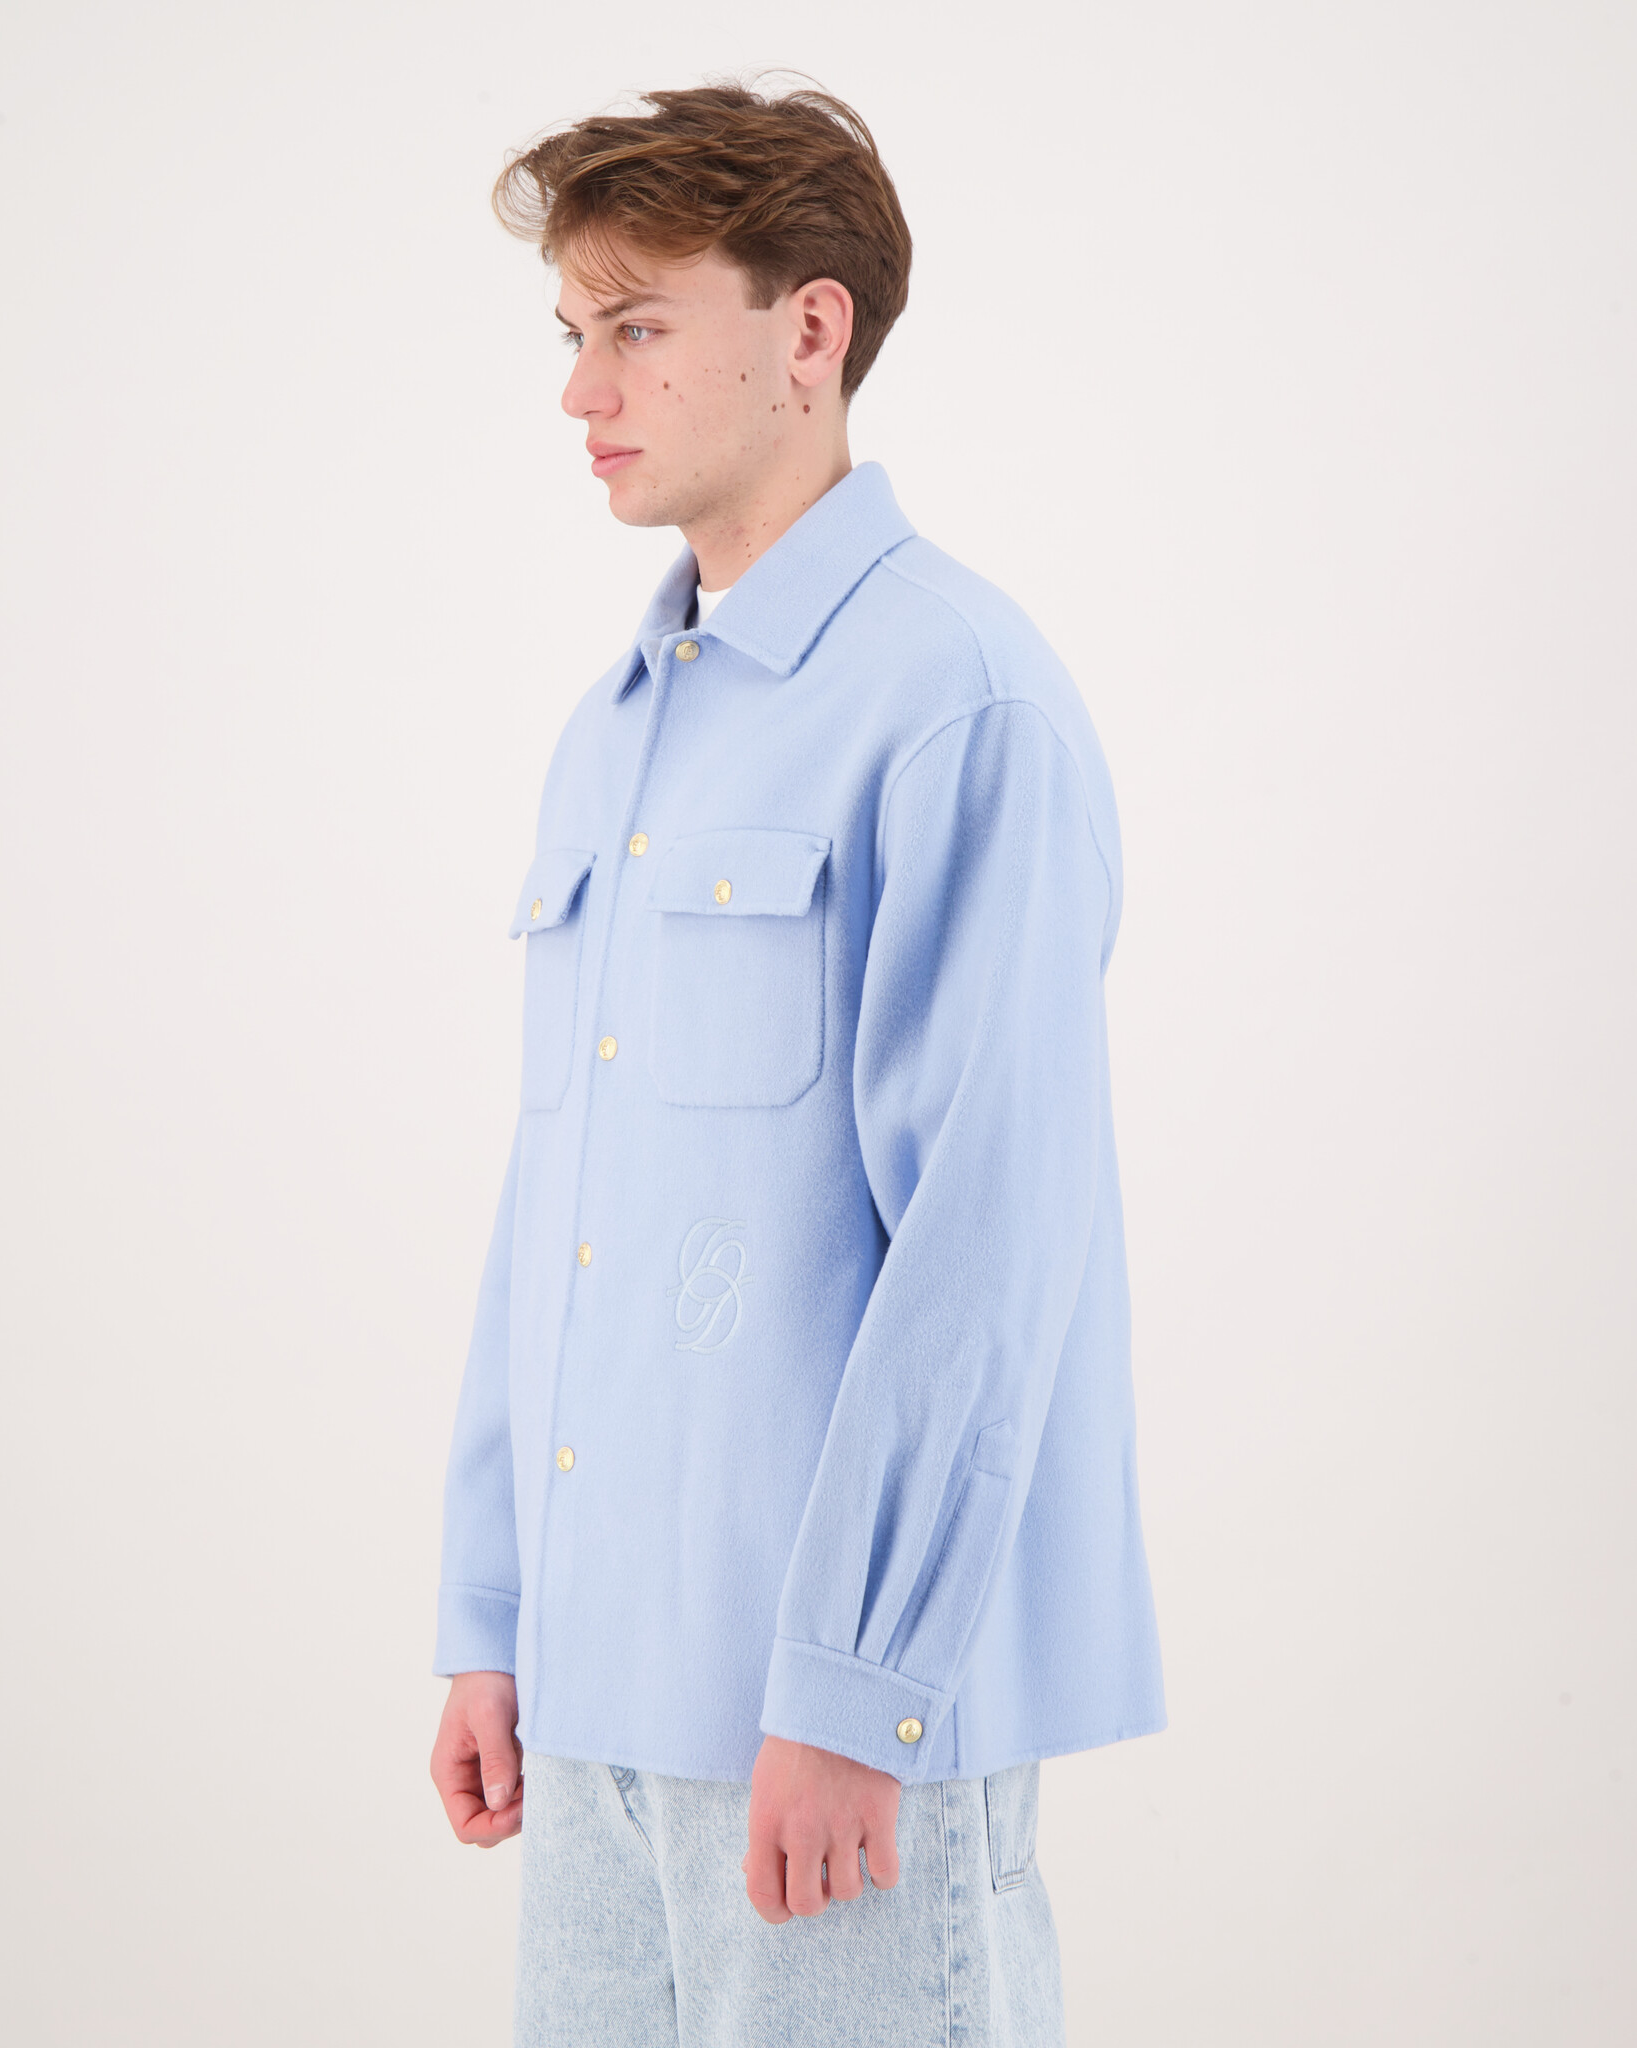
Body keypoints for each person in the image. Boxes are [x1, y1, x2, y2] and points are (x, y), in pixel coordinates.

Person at [428, 80, 1165, 2047]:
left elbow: (987, 1247)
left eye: (636, 325)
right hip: (593, 1709)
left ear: (810, 328)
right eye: (571, 332)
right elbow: (558, 1205)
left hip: (829, 1734)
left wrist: (854, 1687)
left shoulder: (959, 703)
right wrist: (491, 1615)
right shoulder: (613, 730)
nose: (581, 390)